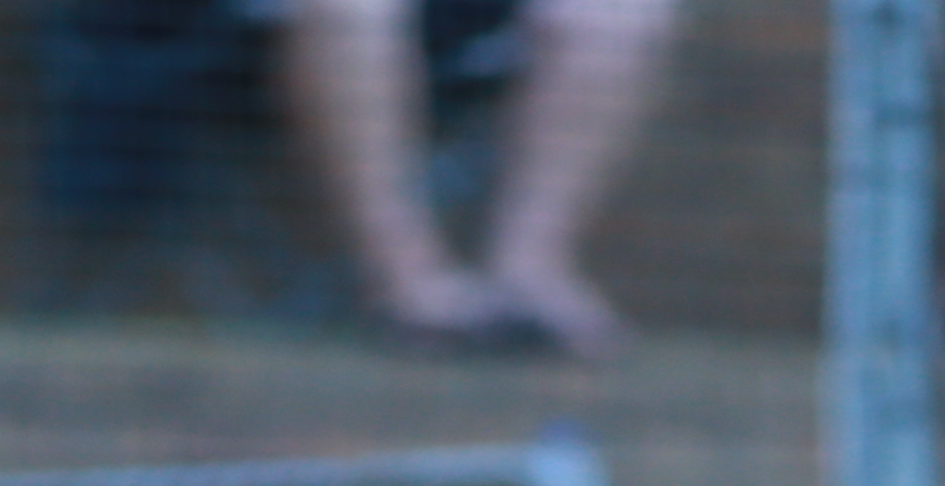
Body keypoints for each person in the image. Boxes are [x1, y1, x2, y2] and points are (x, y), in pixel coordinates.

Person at [266, 0, 672, 354]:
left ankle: (529, 274)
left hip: (476, 23)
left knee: (623, 9)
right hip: (285, 23)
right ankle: (405, 279)